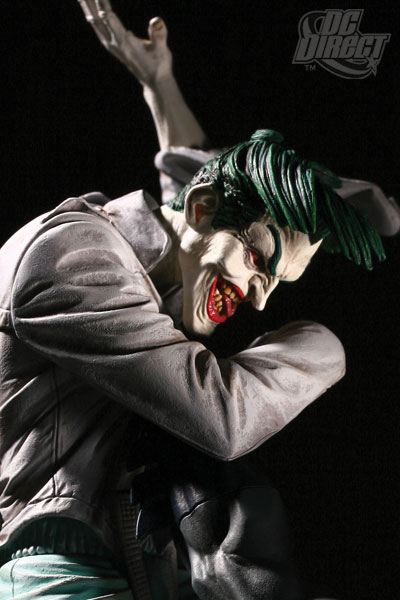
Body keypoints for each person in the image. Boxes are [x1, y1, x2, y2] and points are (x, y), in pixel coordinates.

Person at [0, 3, 397, 599]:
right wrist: (326, 347)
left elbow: (191, 211)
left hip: (130, 570)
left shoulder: (165, 250)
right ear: (203, 208)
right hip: (58, 572)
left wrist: (161, 87)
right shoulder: (72, 257)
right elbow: (220, 416)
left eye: (278, 284)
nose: (259, 301)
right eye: (261, 261)